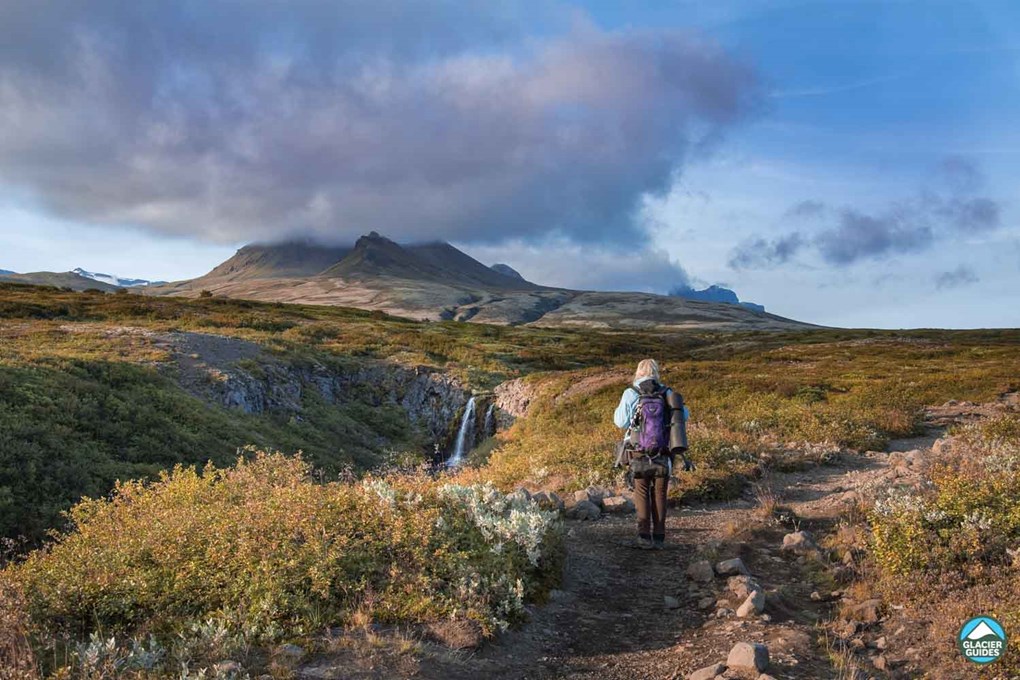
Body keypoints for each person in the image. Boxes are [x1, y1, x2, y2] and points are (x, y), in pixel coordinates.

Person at [613, 358, 689, 550]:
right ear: (657, 373)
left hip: (638, 451)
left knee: (641, 491)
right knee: (660, 493)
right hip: (663, 451)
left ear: (638, 373)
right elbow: (684, 416)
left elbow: (620, 422)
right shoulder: (667, 392)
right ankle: (660, 537)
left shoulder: (631, 393)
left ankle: (644, 536)